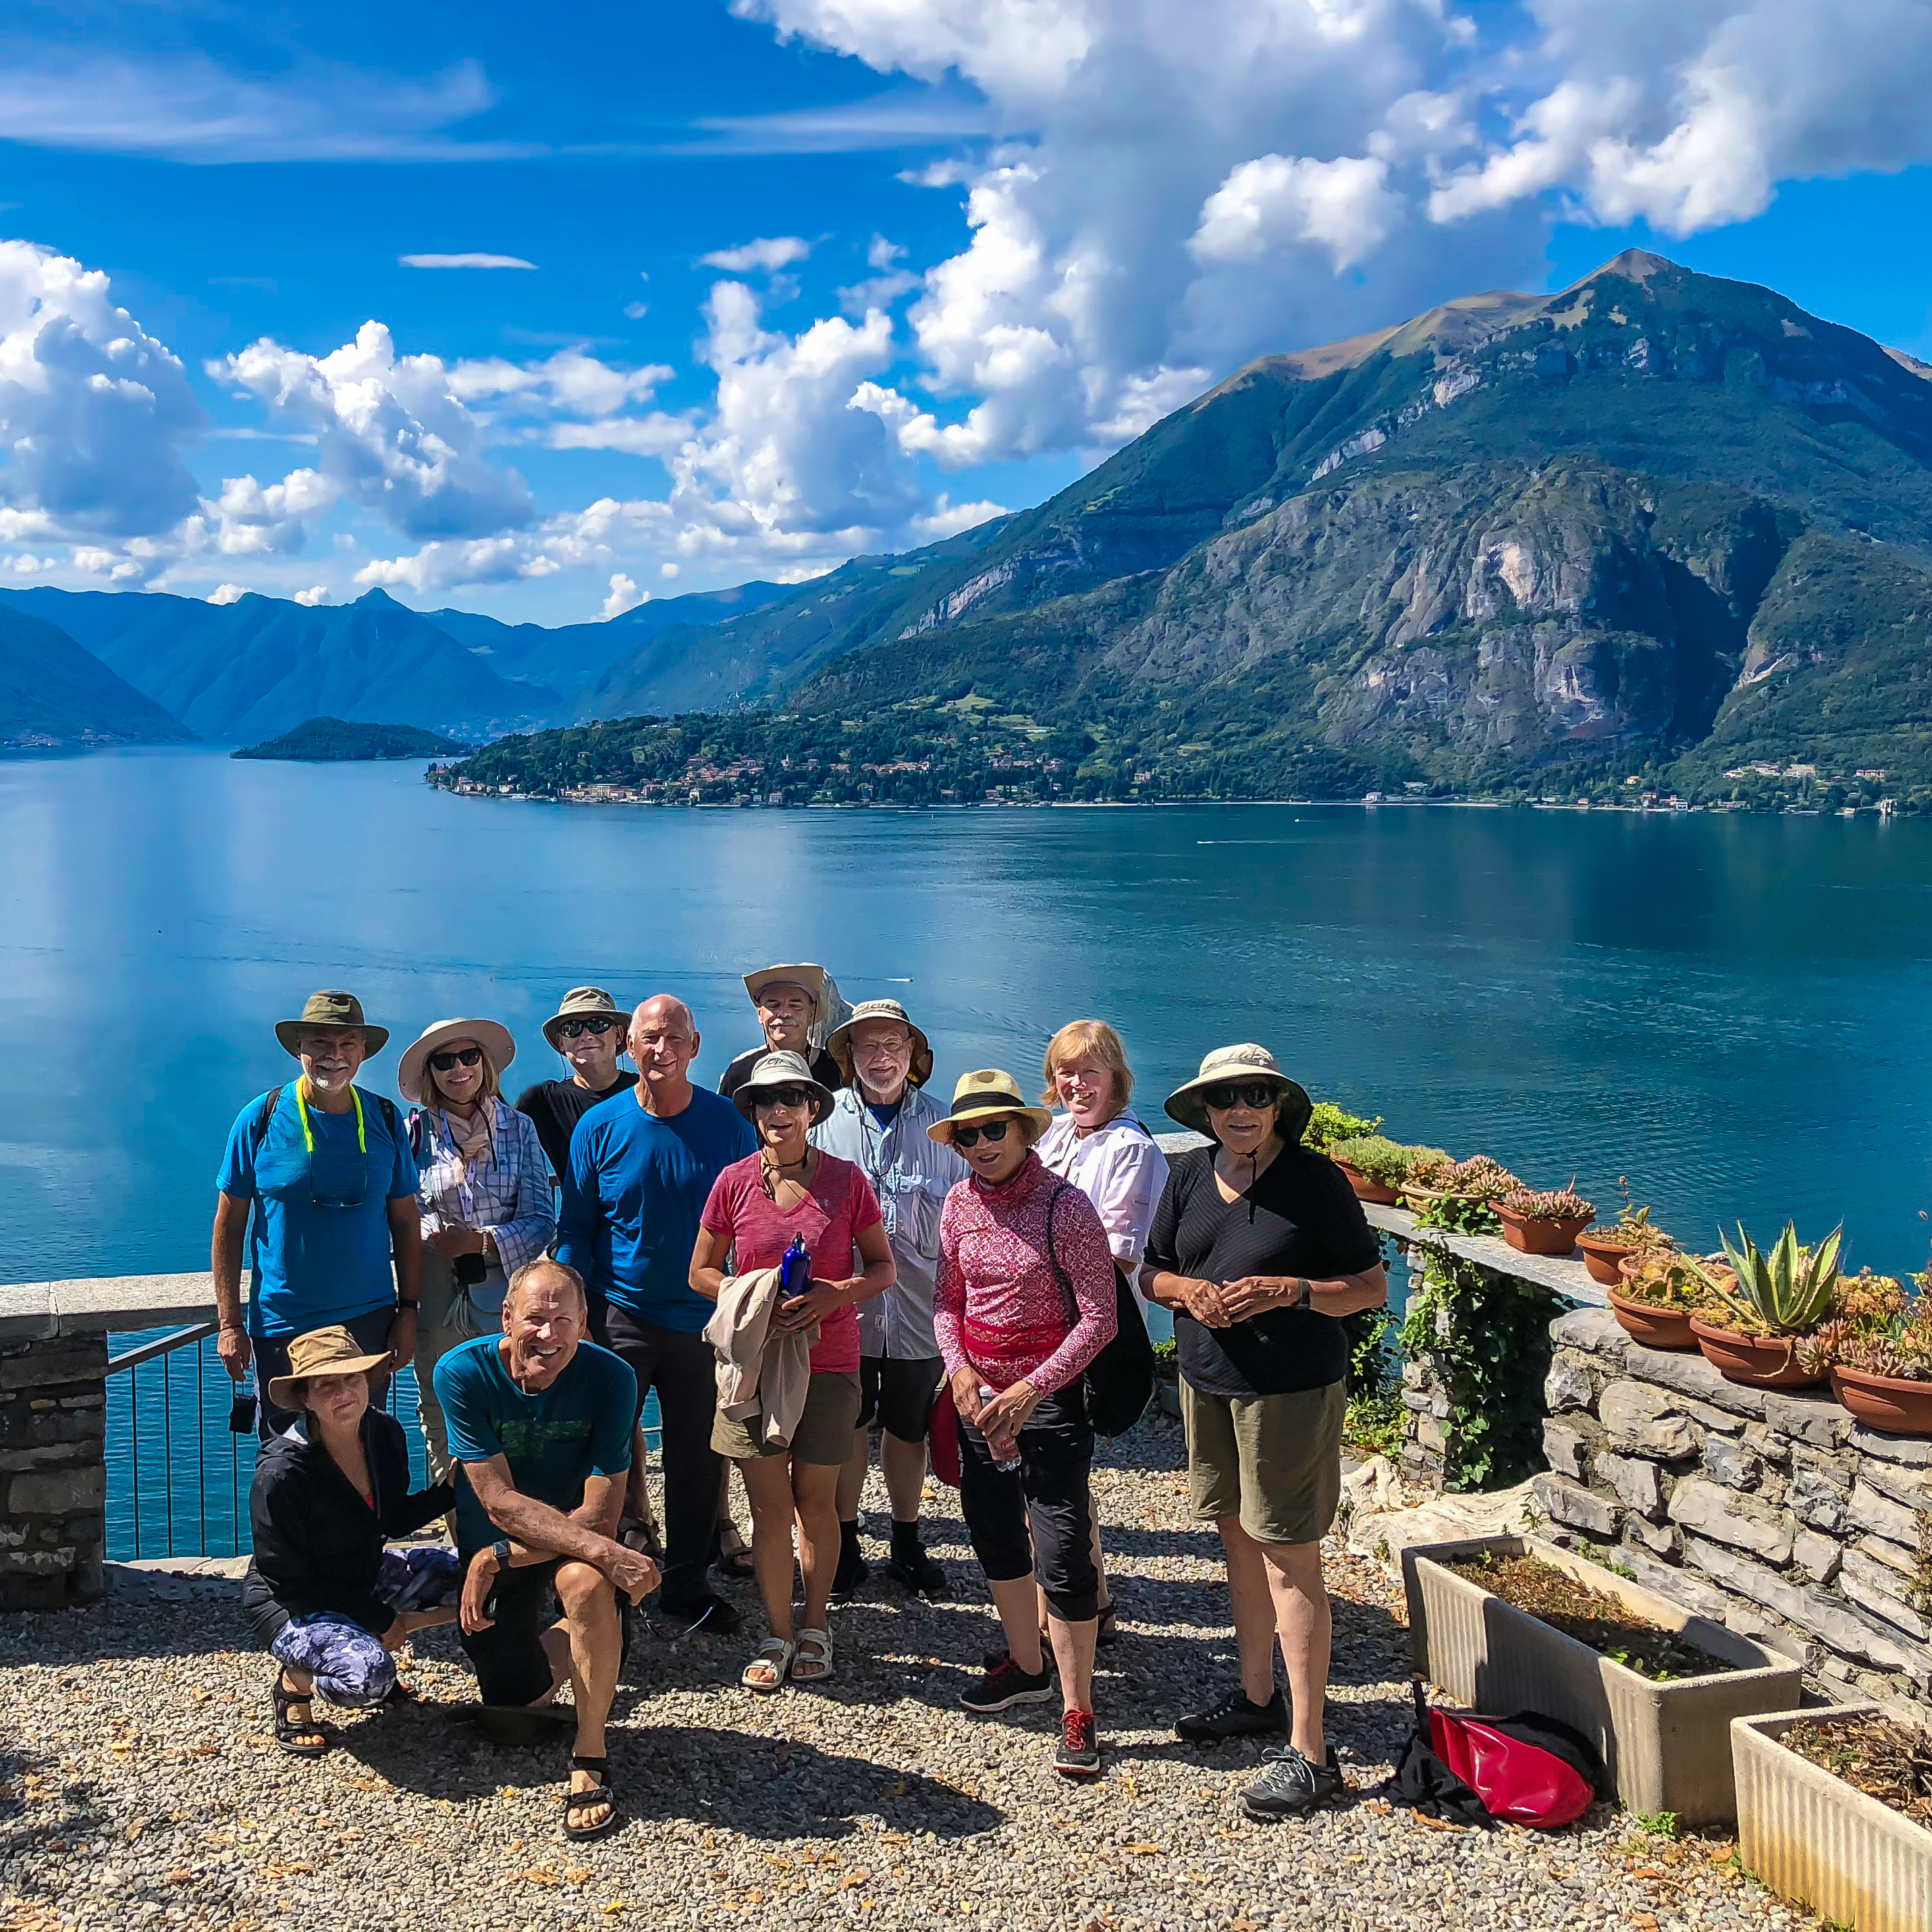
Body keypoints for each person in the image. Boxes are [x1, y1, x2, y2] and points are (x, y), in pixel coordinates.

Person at [1142, 1044, 1388, 1821]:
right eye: (1224, 1099)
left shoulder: (1316, 1183)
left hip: (1288, 1393)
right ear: (1205, 1112)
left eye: (1254, 1096)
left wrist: (1295, 1291)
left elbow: (1370, 1286)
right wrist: (1191, 1294)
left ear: (1277, 1104)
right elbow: (1151, 1270)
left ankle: (1312, 1752)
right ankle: (1256, 1696)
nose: (1238, 1110)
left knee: (1288, 1557)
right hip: (1207, 1384)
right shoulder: (1188, 1175)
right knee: (1238, 1542)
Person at [689, 1050, 896, 1693]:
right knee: (768, 1507)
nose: (778, 1111)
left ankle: (816, 1625)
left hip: (829, 1366)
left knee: (818, 1502)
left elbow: (882, 1268)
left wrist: (838, 1294)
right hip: (751, 1368)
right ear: (751, 1112)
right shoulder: (732, 1183)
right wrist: (749, 1298)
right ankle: (776, 1632)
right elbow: (700, 1271)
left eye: (791, 1099)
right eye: (764, 1101)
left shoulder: (846, 1181)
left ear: (812, 1109)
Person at [932, 1069, 1117, 1781]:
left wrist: (1032, 1389)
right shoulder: (956, 1204)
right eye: (967, 1135)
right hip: (978, 1401)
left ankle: (1078, 1708)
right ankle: (1027, 1664)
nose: (980, 1145)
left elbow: (1100, 1318)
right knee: (996, 1535)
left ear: (1021, 1130)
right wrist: (961, 1371)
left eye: (992, 1130)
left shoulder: (1064, 1208)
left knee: (1063, 1550)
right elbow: (949, 1302)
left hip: (1052, 1402)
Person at [433, 1258, 660, 1841]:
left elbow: (603, 1515)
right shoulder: (462, 1372)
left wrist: (504, 1558)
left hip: (563, 1547)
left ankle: (590, 1756)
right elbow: (500, 1501)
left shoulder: (611, 1378)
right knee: (513, 1712)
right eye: (534, 1318)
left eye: (564, 1319)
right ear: (507, 1318)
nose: (548, 1334)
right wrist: (500, 1551)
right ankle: (593, 1648)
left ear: (585, 1324)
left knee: (585, 1584)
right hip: (509, 1536)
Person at [556, 994, 756, 1632]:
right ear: (627, 1046)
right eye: (648, 1038)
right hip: (620, 1317)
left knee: (699, 1458)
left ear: (695, 1047)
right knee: (602, 1453)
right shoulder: (600, 1128)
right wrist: (577, 1309)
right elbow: (577, 1229)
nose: (660, 1050)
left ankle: (686, 1584)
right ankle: (601, 1577)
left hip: (702, 1321)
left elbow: (751, 1223)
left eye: (673, 1038)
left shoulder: (729, 1126)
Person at [211, 990, 422, 1438]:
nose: (335, 1056)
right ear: (300, 1048)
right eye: (321, 1044)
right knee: (288, 1459)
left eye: (348, 1044)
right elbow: (229, 1226)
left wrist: (408, 1311)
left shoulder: (385, 1118)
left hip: (370, 1321)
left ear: (364, 1051)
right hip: (284, 1323)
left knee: (363, 1449)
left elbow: (406, 1222)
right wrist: (229, 1324)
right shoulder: (260, 1119)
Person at [242, 1325, 460, 1757]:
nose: (344, 1392)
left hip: (363, 1573)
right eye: (327, 1385)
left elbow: (392, 1519)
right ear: (305, 1398)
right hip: (292, 1602)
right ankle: (294, 1685)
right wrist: (380, 1618)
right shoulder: (282, 1474)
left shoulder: (383, 1432)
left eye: (353, 1378)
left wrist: (451, 1488)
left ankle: (365, 1638)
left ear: (368, 1382)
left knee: (481, 1577)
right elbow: (288, 1581)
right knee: (368, 1681)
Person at [813, 998, 965, 1600]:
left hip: (921, 1314)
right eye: (868, 1047)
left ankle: (906, 1539)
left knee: (909, 1428)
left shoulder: (947, 1129)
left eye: (894, 1047)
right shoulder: (822, 1128)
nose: (882, 1058)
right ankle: (846, 1542)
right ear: (848, 1056)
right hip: (845, 1312)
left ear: (914, 1056)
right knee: (848, 1426)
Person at [1035, 1019, 1169, 1646]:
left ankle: (1081, 1604)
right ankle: (1082, 1598)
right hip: (1041, 1326)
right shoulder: (1055, 1133)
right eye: (1066, 1071)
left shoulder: (1132, 1151)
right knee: (1050, 1470)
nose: (1076, 1083)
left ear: (1115, 1076)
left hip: (1089, 1332)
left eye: (1090, 1070)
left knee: (1060, 1469)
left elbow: (1116, 1255)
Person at [400, 1018, 556, 1479]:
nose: (458, 1069)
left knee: (514, 1401)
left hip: (508, 1297)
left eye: (468, 1057)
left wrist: (481, 1240)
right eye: (444, 1061)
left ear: (484, 1064)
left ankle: (519, 1526)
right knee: (443, 1409)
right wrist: (437, 1236)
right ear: (430, 1074)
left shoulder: (519, 1128)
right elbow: (403, 1210)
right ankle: (461, 1528)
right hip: (438, 1296)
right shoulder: (412, 1132)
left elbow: (541, 1219)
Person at [516, 987, 635, 1187]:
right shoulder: (543, 1102)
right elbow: (497, 1134)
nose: (586, 1035)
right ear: (561, 1043)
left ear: (618, 1035)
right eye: (572, 1028)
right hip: (579, 1218)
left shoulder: (646, 1092)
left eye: (598, 1025)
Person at [716, 964, 844, 1103]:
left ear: (811, 1013)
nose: (784, 1014)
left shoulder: (841, 1073)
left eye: (795, 1005)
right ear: (760, 1014)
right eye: (773, 1005)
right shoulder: (739, 1074)